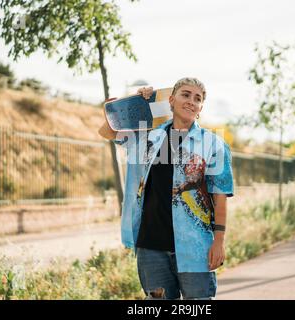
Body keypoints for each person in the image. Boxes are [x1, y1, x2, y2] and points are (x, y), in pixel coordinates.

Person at [98, 77, 234, 299]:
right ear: (171, 100)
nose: (191, 101)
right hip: (151, 248)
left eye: (197, 99)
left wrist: (219, 242)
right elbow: (108, 132)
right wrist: (134, 103)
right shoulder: (149, 137)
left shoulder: (213, 144)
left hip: (195, 247)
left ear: (200, 109)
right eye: (185, 95)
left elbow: (220, 198)